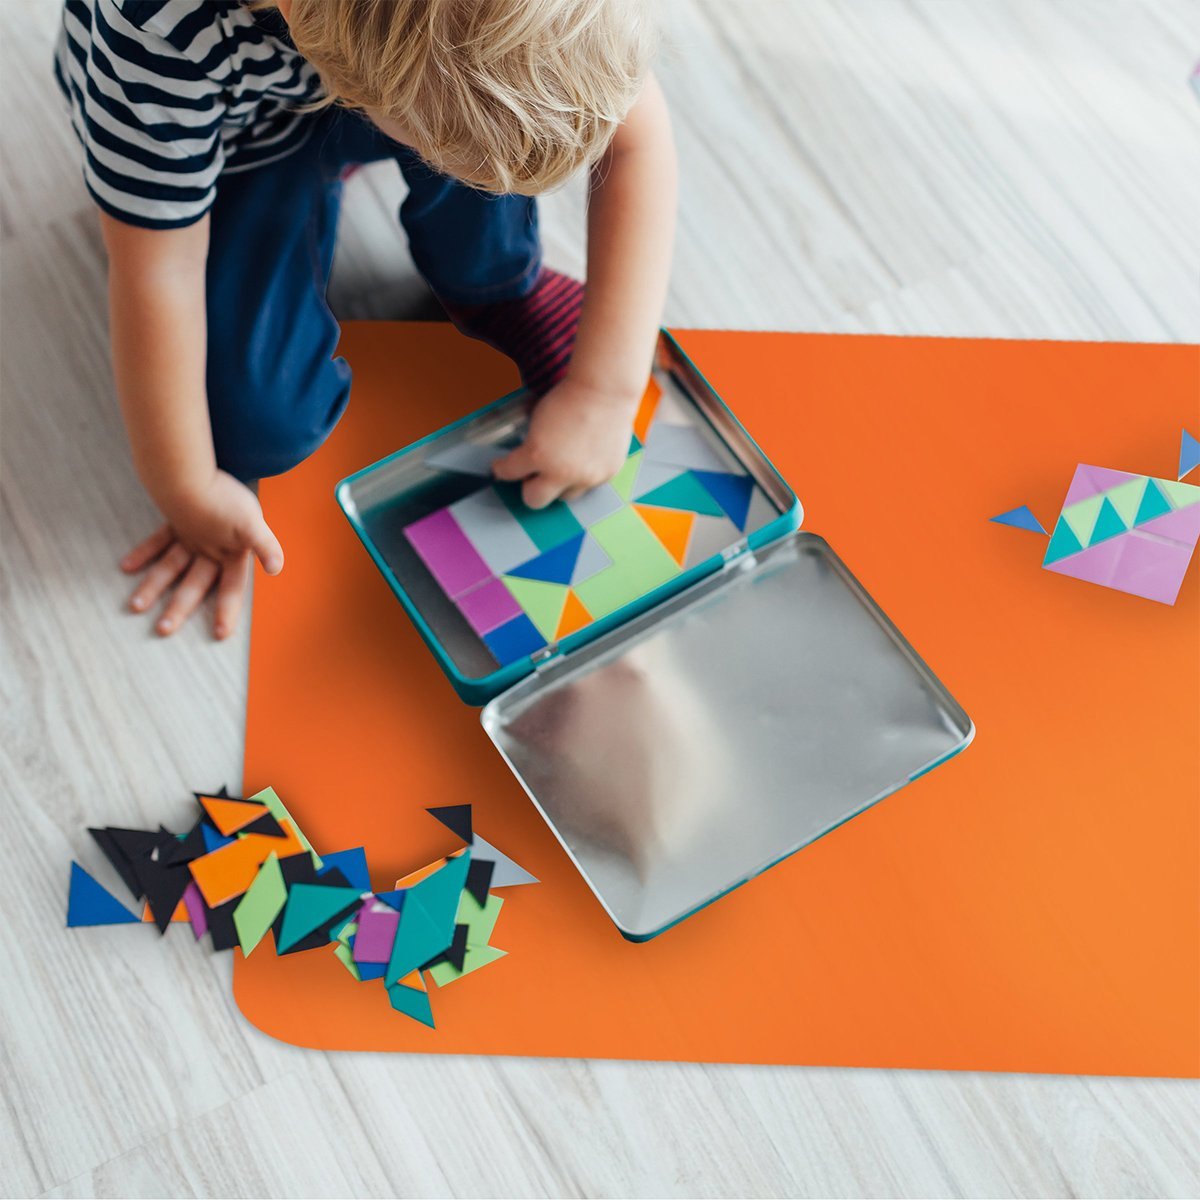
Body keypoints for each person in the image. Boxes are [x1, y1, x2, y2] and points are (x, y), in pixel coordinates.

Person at [54, 0, 676, 637]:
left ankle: (491, 284)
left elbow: (637, 140)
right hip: (228, 135)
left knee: (484, 139)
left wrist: (607, 388)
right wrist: (184, 487)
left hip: (399, 69)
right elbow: (158, 269)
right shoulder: (156, 33)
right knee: (250, 430)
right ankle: (419, 191)